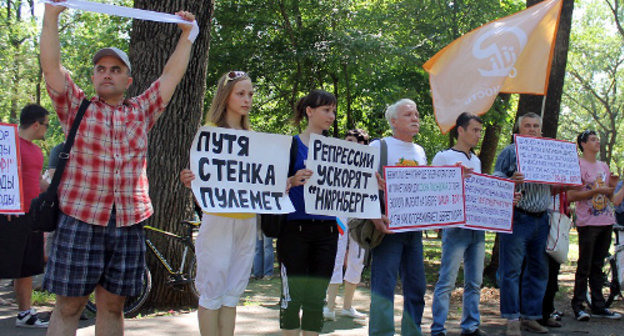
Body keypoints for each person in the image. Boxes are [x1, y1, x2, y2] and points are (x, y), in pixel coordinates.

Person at [39, 1, 195, 335]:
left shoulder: (141, 111)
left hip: (128, 222)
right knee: (69, 307)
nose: (107, 73)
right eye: (101, 69)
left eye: (115, 69)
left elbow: (170, 76)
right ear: (94, 77)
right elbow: (52, 68)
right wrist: (51, 16)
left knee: (113, 306)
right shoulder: (76, 108)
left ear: (128, 79)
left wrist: (186, 36)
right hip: (80, 219)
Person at [180, 71, 257, 336]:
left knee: (232, 293)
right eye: (240, 93)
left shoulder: (255, 139)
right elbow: (200, 174)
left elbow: (262, 179)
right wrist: (189, 177)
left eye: (250, 94)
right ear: (226, 97)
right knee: (212, 290)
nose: (247, 99)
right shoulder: (209, 133)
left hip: (247, 221)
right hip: (218, 220)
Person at [278, 89, 339, 336]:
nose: (332, 116)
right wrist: (292, 180)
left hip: (327, 231)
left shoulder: (338, 150)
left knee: (316, 298)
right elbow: (269, 187)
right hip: (294, 230)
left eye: (334, 110)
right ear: (309, 111)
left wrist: (370, 184)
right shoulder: (289, 146)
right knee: (293, 298)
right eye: (326, 110)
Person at [368, 99, 427, 336]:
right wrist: (374, 217)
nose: (415, 118)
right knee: (383, 287)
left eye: (416, 114)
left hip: (414, 231)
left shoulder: (420, 151)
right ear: (393, 121)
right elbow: (363, 187)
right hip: (387, 230)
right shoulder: (378, 146)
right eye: (408, 115)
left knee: (417, 287)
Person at [494, 112, 553, 336]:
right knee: (511, 271)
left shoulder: (550, 152)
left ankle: (531, 317)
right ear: (518, 130)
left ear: (541, 130)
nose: (532, 129)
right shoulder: (510, 152)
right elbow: (496, 178)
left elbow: (561, 183)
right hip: (517, 217)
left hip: (542, 219)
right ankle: (512, 319)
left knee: (538, 270)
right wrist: (511, 181)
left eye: (536, 126)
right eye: (527, 126)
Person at [430, 112, 485, 336]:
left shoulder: (477, 160)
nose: (478, 135)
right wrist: (454, 176)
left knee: (474, 282)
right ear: (460, 130)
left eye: (480, 131)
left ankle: (471, 326)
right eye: (474, 130)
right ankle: (438, 329)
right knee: (447, 281)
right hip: (455, 228)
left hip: (477, 228)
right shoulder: (443, 157)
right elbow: (432, 189)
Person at [0, 104, 50, 328]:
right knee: (6, 263)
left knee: (27, 267)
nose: (46, 131)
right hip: (10, 215)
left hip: (32, 214)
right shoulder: (7, 145)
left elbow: (37, 182)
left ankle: (25, 314)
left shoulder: (36, 150)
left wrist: (59, 189)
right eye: (46, 125)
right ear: (36, 124)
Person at [568, 130, 624, 321]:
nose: (597, 142)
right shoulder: (578, 164)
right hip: (588, 223)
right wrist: (595, 191)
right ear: (583, 144)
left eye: (598, 140)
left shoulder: (604, 166)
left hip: (607, 221)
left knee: (598, 266)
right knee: (584, 265)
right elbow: (571, 196)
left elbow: (613, 200)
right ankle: (578, 305)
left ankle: (599, 306)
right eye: (592, 139)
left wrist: (617, 186)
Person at [323, 129, 370, 321]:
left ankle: (347, 306)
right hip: (340, 215)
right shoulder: (334, 162)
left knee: (357, 259)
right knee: (336, 256)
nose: (354, 145)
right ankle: (330, 306)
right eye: (349, 140)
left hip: (360, 216)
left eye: (360, 142)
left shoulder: (370, 165)